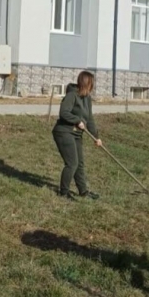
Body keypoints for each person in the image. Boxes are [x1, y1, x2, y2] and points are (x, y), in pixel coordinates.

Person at [52, 70, 103, 200]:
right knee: (72, 163)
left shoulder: (87, 98)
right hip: (64, 132)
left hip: (77, 134)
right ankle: (63, 193)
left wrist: (96, 137)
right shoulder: (72, 95)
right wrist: (77, 120)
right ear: (86, 83)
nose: (93, 85)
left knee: (79, 163)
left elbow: (89, 119)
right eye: (91, 83)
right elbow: (63, 112)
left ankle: (83, 191)